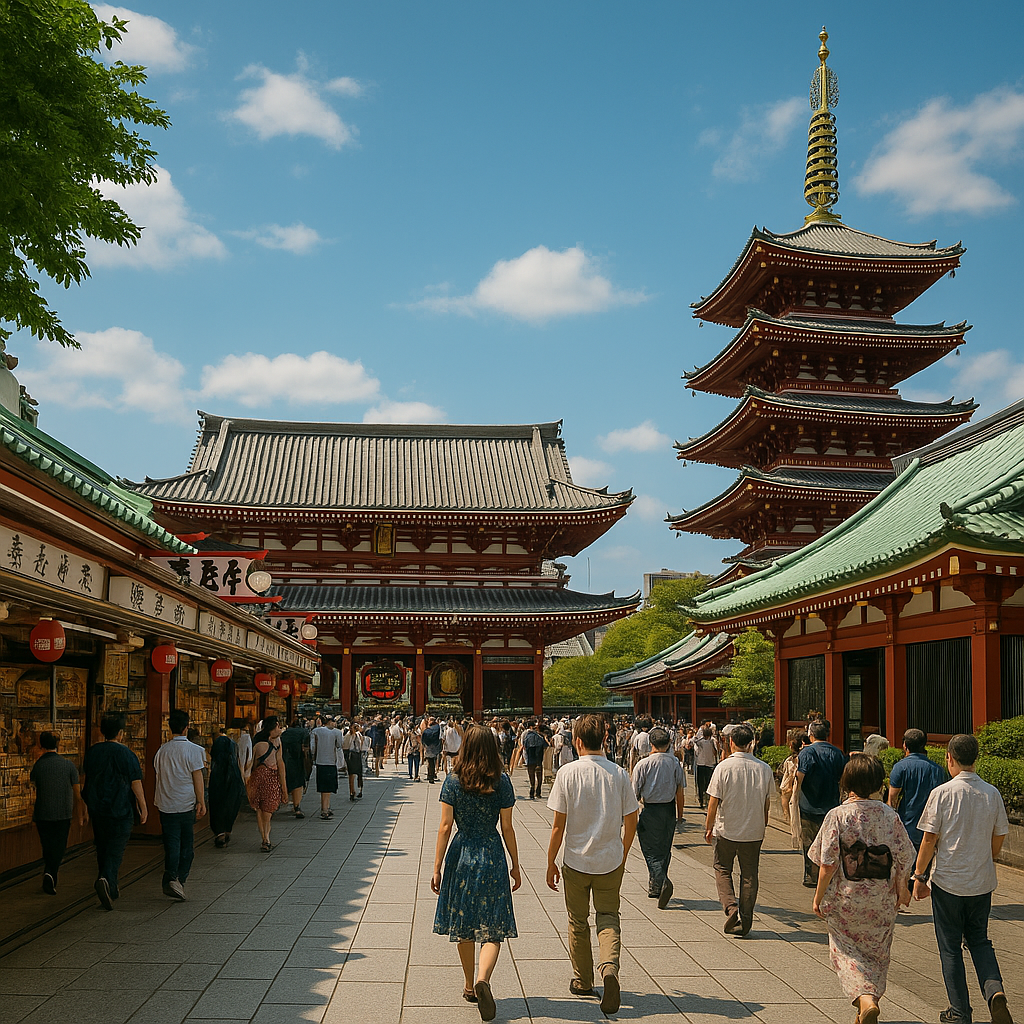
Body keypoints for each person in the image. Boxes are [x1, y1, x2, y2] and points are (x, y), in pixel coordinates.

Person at [912, 734, 1012, 1024]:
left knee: (950, 947)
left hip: (948, 882)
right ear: (976, 759)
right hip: (981, 881)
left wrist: (919, 875)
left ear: (950, 759)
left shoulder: (942, 793)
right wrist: (988, 856)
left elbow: (929, 838)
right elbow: (1000, 835)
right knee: (980, 941)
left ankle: (960, 1011)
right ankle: (995, 992)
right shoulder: (991, 793)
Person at [810, 754, 915, 1024]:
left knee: (844, 952)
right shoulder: (890, 816)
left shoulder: (838, 815)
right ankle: (867, 1009)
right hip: (881, 899)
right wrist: (902, 887)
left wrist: (818, 897)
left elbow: (827, 863)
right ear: (878, 782)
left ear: (847, 782)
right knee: (877, 954)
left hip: (846, 898)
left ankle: (865, 1001)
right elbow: (905, 855)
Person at [546, 714, 639, 1016]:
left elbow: (558, 826)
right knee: (609, 916)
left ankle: (583, 980)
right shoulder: (619, 774)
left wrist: (550, 862)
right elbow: (631, 819)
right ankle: (609, 967)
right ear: (604, 739)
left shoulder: (567, 773)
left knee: (578, 921)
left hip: (576, 859)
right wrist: (622, 852)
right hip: (610, 859)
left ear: (576, 741)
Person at [432, 726, 521, 1021]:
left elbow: (445, 826)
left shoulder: (453, 781)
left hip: (461, 853)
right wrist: (516, 864)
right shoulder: (502, 781)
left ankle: (470, 985)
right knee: (493, 925)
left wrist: (436, 867)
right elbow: (507, 827)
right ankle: (484, 978)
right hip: (492, 852)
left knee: (464, 922)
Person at [705, 723, 777, 937]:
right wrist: (763, 823)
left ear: (731, 742)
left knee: (722, 868)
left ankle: (731, 908)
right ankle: (746, 918)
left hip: (727, 828)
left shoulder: (723, 768)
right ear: (751, 743)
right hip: (754, 831)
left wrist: (708, 827)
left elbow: (713, 802)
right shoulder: (763, 768)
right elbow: (766, 803)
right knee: (749, 874)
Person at [81, 712, 146, 909]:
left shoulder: (93, 752)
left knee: (102, 846)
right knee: (116, 849)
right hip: (121, 808)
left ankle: (112, 887)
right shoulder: (126, 753)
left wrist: (83, 808)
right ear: (120, 733)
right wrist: (143, 806)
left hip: (97, 808)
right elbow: (136, 783)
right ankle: (106, 879)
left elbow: (87, 781)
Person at [153, 708, 207, 899]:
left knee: (171, 843)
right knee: (186, 846)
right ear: (186, 727)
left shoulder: (162, 751)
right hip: (185, 804)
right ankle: (178, 880)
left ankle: (170, 877)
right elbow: (197, 778)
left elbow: (158, 776)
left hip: (165, 804)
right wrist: (201, 801)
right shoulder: (194, 750)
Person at [631, 726, 685, 908]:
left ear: (651, 744)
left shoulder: (643, 764)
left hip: (651, 809)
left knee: (649, 850)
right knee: (664, 849)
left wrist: (630, 816)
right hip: (669, 809)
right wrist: (680, 815)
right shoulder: (675, 763)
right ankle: (656, 887)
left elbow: (634, 792)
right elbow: (680, 791)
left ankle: (662, 881)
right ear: (669, 743)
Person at [792, 718, 848, 887]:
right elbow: (842, 778)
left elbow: (800, 776)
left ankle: (812, 876)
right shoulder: (837, 753)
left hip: (809, 804)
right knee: (830, 842)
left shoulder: (807, 753)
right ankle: (829, 874)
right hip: (831, 804)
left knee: (809, 841)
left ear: (811, 735)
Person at [30, 731, 84, 894]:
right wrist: (81, 812)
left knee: (47, 845)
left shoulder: (38, 765)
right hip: (63, 813)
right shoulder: (68, 765)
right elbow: (77, 793)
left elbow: (33, 787)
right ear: (58, 745)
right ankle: (51, 873)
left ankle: (49, 872)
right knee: (59, 846)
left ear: (41, 745)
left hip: (42, 813)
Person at [887, 727, 948, 850]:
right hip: (931, 826)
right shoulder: (938, 770)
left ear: (905, 745)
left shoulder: (900, 767)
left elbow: (892, 797)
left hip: (907, 823)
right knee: (925, 865)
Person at [247, 716, 288, 852]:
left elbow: (251, 764)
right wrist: (284, 788)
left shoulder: (256, 742)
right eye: (278, 726)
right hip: (271, 777)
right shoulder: (277, 744)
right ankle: (267, 837)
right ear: (274, 726)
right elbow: (280, 764)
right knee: (268, 809)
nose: (280, 729)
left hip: (258, 775)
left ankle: (264, 837)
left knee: (260, 808)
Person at [208, 729, 245, 848]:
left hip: (218, 783)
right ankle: (227, 830)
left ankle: (220, 833)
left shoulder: (216, 767)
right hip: (234, 782)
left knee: (217, 806)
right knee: (231, 805)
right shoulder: (232, 763)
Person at [310, 716, 344, 818]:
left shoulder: (315, 731)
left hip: (320, 761)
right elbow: (339, 745)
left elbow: (312, 748)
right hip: (331, 761)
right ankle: (325, 809)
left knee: (323, 786)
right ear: (330, 722)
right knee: (328, 787)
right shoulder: (337, 732)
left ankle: (326, 806)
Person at [280, 718, 310, 818]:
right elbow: (306, 748)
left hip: (285, 759)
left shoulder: (285, 733)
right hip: (298, 759)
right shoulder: (304, 732)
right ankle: (297, 807)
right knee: (298, 783)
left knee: (286, 780)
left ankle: (281, 802)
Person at [779, 730, 809, 825]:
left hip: (794, 792)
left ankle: (787, 817)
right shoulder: (809, 757)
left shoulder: (790, 761)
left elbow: (785, 789)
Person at [516, 718, 548, 800]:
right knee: (539, 775)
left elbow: (524, 746)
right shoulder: (540, 736)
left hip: (530, 757)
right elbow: (545, 746)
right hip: (539, 758)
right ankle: (538, 791)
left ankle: (532, 788)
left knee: (531, 774)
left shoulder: (526, 735)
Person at [692, 725, 719, 810]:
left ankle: (702, 800)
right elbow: (716, 750)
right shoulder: (712, 741)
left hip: (702, 763)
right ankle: (704, 800)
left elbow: (693, 740)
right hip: (709, 763)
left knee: (702, 783)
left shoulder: (702, 741)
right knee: (706, 783)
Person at [343, 720, 367, 800]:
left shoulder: (359, 735)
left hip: (357, 755)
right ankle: (352, 791)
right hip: (351, 756)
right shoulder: (348, 735)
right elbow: (345, 746)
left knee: (359, 773)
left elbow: (362, 744)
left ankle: (360, 790)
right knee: (351, 774)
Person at [422, 716, 442, 783]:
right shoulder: (438, 728)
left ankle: (431, 776)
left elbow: (423, 739)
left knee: (430, 762)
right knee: (433, 762)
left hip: (428, 747)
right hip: (436, 747)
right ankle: (431, 774)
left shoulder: (427, 730)